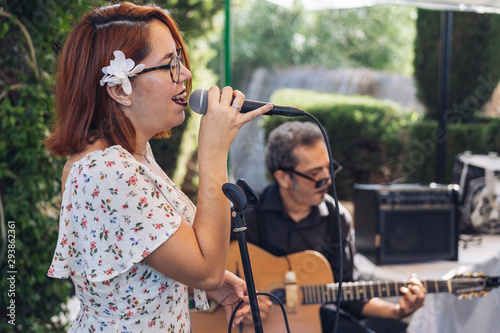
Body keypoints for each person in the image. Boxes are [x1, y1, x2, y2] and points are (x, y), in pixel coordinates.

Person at [45, 2, 273, 332]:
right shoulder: (108, 170)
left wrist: (208, 280)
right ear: (119, 89)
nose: (186, 74)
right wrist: (212, 154)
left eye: (179, 61)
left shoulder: (130, 156)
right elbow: (205, 268)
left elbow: (141, 254)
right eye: (169, 65)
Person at [240, 121, 426, 333]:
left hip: (317, 319)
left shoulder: (336, 219)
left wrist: (398, 311)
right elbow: (212, 278)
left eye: (329, 169)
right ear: (283, 177)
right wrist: (239, 304)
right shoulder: (246, 216)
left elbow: (346, 294)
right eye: (315, 173)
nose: (327, 180)